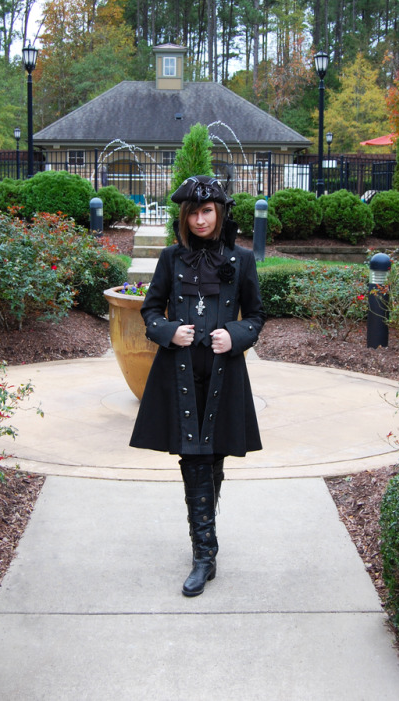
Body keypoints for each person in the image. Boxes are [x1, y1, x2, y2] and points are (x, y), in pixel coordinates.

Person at [130, 175, 265, 597]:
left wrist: (236, 335)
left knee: (215, 456)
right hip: (181, 375)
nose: (200, 219)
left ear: (219, 214)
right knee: (193, 458)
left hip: (225, 374)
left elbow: (257, 316)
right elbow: (150, 309)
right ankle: (204, 554)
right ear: (183, 217)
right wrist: (168, 331)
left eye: (207, 211)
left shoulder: (242, 260)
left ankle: (205, 542)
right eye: (193, 212)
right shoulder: (171, 259)